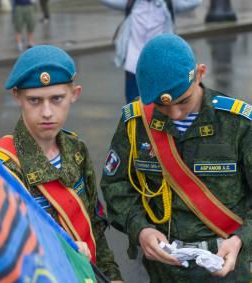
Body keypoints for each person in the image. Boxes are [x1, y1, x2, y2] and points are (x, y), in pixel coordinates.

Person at [101, 33, 251, 282]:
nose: (176, 114)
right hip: (165, 272)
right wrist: (141, 230)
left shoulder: (237, 123)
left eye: (183, 101)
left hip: (230, 268)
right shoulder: (137, 124)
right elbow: (116, 186)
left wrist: (240, 241)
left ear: (200, 73)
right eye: (162, 107)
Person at [0, 45, 124, 282]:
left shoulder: (76, 150)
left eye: (57, 99)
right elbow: (0, 252)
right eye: (34, 100)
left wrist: (112, 276)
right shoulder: (3, 167)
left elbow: (94, 226)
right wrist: (61, 253)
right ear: (17, 97)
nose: (47, 112)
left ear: (74, 94)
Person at [99, 0, 201, 103]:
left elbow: (195, 2)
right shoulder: (132, 2)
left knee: (160, 105)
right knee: (133, 104)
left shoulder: (168, 3)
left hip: (160, 65)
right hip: (133, 64)